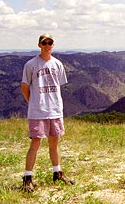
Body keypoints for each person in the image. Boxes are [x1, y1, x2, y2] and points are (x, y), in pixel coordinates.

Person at [20, 33, 74, 192]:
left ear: (53, 45)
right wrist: (32, 102)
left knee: (54, 142)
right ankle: (27, 177)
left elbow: (59, 85)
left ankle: (57, 173)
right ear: (39, 45)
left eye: (50, 43)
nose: (47, 45)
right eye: (44, 43)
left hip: (55, 109)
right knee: (35, 142)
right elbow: (24, 86)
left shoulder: (58, 64)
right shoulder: (31, 64)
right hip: (38, 111)